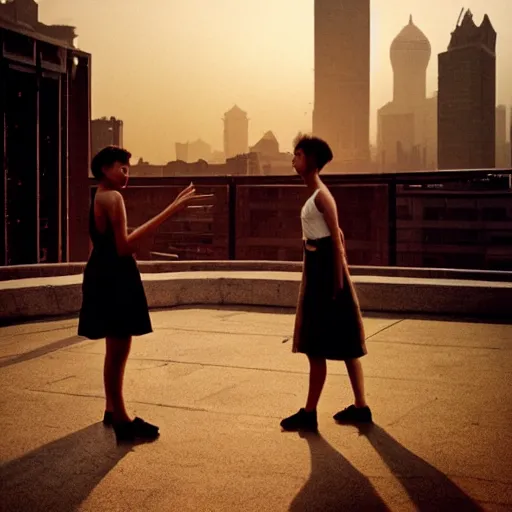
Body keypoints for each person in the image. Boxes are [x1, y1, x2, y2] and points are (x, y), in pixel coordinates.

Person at [78, 146, 208, 443]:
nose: (127, 174)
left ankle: (113, 410)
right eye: (122, 168)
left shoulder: (98, 195)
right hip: (115, 274)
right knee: (119, 347)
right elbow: (124, 246)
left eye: (128, 168)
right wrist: (170, 211)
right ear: (104, 169)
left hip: (103, 271)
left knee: (115, 347)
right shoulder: (113, 197)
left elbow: (107, 242)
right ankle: (122, 421)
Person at [280, 135, 372, 432]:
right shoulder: (316, 195)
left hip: (324, 276)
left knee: (315, 345)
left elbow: (338, 239)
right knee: (341, 344)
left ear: (308, 160)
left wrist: (337, 285)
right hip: (318, 271)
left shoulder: (321, 195)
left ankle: (311, 413)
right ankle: (360, 407)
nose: (293, 160)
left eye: (297, 155)